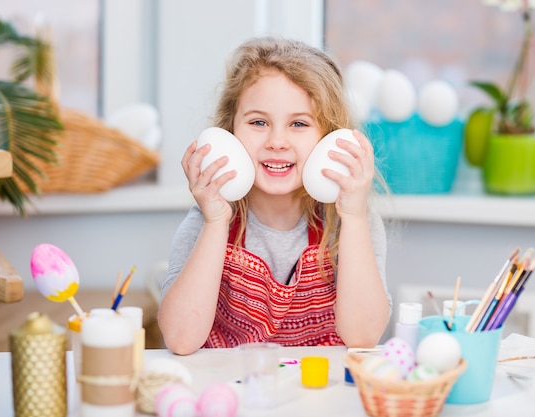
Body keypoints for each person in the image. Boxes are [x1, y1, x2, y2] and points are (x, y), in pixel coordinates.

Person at [158, 37, 391, 355]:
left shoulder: (351, 219)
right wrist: (216, 222)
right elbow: (180, 339)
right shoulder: (208, 217)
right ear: (230, 131)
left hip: (319, 394)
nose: (277, 141)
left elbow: (363, 336)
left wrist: (352, 217)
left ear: (330, 137)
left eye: (298, 123)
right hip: (236, 391)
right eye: (258, 122)